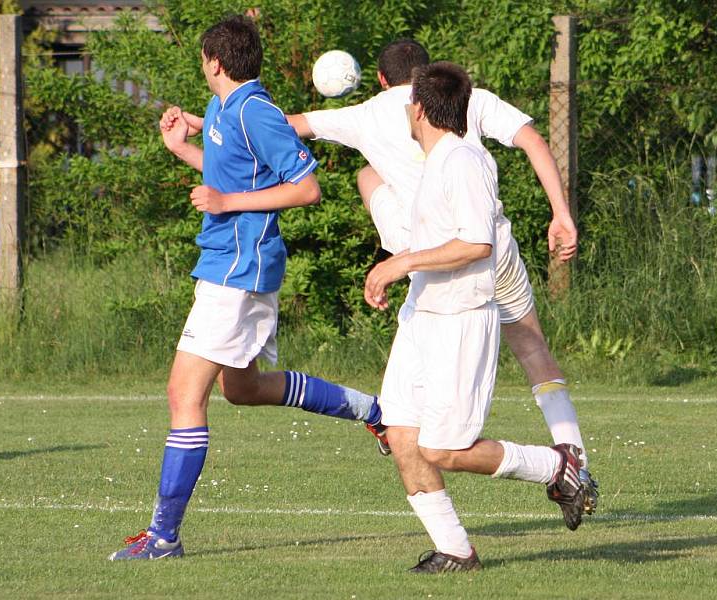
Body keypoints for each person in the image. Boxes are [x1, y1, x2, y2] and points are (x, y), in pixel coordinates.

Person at [108, 15, 385, 560]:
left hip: (238, 268)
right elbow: (227, 172)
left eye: (201, 58)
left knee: (183, 395)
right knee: (243, 389)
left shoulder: (257, 112)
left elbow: (306, 190)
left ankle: (163, 537)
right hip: (228, 264)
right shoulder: (222, 107)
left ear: (214, 62)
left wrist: (225, 203)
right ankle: (373, 411)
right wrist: (181, 148)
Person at [286, 39, 598, 522]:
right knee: (533, 348)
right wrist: (561, 214)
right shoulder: (469, 99)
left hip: (439, 260)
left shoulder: (367, 112)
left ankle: (555, 470)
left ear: (390, 85)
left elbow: (289, 125)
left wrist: (212, 121)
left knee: (368, 177)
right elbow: (534, 139)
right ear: (429, 74)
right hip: (494, 246)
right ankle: (575, 455)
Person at [364, 61, 585, 573]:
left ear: (417, 108)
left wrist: (402, 262)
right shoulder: (436, 157)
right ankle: (456, 549)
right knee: (400, 432)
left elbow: (476, 243)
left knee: (443, 447)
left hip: (462, 318)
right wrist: (398, 270)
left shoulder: (463, 160)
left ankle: (557, 465)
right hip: (423, 314)